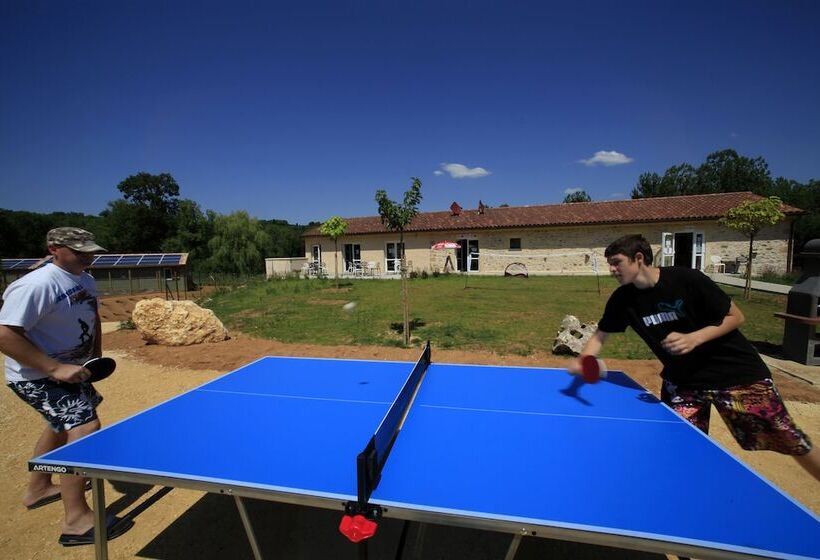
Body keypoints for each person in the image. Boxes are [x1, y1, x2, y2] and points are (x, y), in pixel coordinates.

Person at [570, 233, 820, 482]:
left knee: (789, 439)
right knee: (676, 446)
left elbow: (737, 317)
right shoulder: (623, 299)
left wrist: (694, 338)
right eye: (610, 264)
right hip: (684, 384)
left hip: (737, 376)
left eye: (616, 262)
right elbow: (600, 336)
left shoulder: (686, 280)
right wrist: (585, 360)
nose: (612, 269)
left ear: (638, 258)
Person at [0, 227, 134, 546]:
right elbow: (5, 334)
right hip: (38, 374)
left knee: (60, 424)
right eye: (79, 250)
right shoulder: (36, 284)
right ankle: (76, 521)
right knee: (85, 427)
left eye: (89, 249)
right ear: (54, 249)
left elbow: (93, 316)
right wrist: (54, 367)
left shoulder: (84, 278)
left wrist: (96, 353)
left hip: (72, 369)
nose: (87, 255)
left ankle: (39, 487)